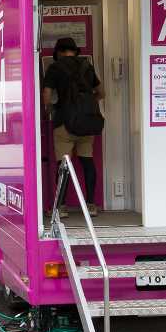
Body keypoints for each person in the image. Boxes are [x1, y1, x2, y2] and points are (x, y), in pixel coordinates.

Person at [42, 37, 104, 215]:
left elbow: (46, 95)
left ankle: (61, 207)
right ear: (75, 50)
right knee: (87, 162)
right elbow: (102, 92)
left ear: (59, 51)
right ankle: (91, 205)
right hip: (87, 122)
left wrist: (51, 109)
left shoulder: (55, 67)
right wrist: (87, 105)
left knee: (64, 164)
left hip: (65, 123)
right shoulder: (86, 66)